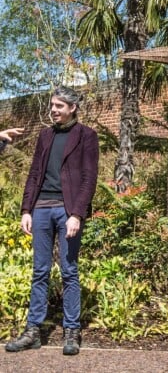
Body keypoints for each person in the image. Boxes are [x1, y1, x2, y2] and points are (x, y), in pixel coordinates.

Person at [5, 86, 99, 356]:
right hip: (41, 210)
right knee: (40, 271)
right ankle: (33, 331)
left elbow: (88, 178)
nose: (54, 110)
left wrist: (77, 214)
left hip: (67, 209)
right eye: (52, 105)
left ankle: (71, 330)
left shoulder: (86, 136)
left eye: (59, 106)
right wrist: (26, 209)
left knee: (69, 271)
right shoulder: (45, 135)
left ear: (72, 108)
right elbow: (34, 173)